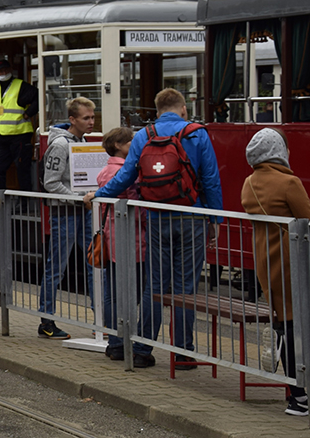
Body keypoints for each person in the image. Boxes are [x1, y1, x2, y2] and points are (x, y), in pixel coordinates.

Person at [83, 88, 223, 369]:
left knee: (154, 286)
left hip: (157, 218)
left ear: (158, 110)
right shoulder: (197, 133)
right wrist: (214, 219)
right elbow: (210, 179)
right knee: (185, 288)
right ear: (182, 108)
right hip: (192, 217)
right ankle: (182, 352)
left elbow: (125, 175)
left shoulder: (144, 136)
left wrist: (99, 194)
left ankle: (143, 348)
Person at [240, 128, 310, 416]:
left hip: (268, 266)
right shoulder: (289, 182)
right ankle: (300, 397)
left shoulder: (249, 183)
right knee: (298, 329)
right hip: (294, 264)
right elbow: (306, 217)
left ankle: (297, 394)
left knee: (287, 325)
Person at [37, 97, 97, 339]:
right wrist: (76, 197)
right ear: (72, 120)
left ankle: (101, 321)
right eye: (86, 118)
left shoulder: (82, 141)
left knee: (95, 263)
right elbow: (51, 182)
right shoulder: (61, 145)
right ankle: (46, 321)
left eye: (93, 117)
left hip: (82, 210)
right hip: (65, 212)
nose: (91, 122)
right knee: (56, 267)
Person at [95, 126, 146, 361]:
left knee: (113, 292)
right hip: (130, 240)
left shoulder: (107, 170)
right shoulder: (122, 171)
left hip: (114, 239)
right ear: (119, 145)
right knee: (127, 292)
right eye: (130, 142)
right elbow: (136, 206)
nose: (135, 146)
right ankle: (121, 341)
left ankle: (116, 341)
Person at [0, 59, 39, 191]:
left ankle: (24, 205)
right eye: (1, 71)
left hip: (21, 136)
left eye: (6, 69)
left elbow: (39, 97)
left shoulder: (21, 86)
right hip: (3, 137)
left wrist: (29, 113)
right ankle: (1, 204)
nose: (4, 72)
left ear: (10, 70)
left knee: (22, 170)